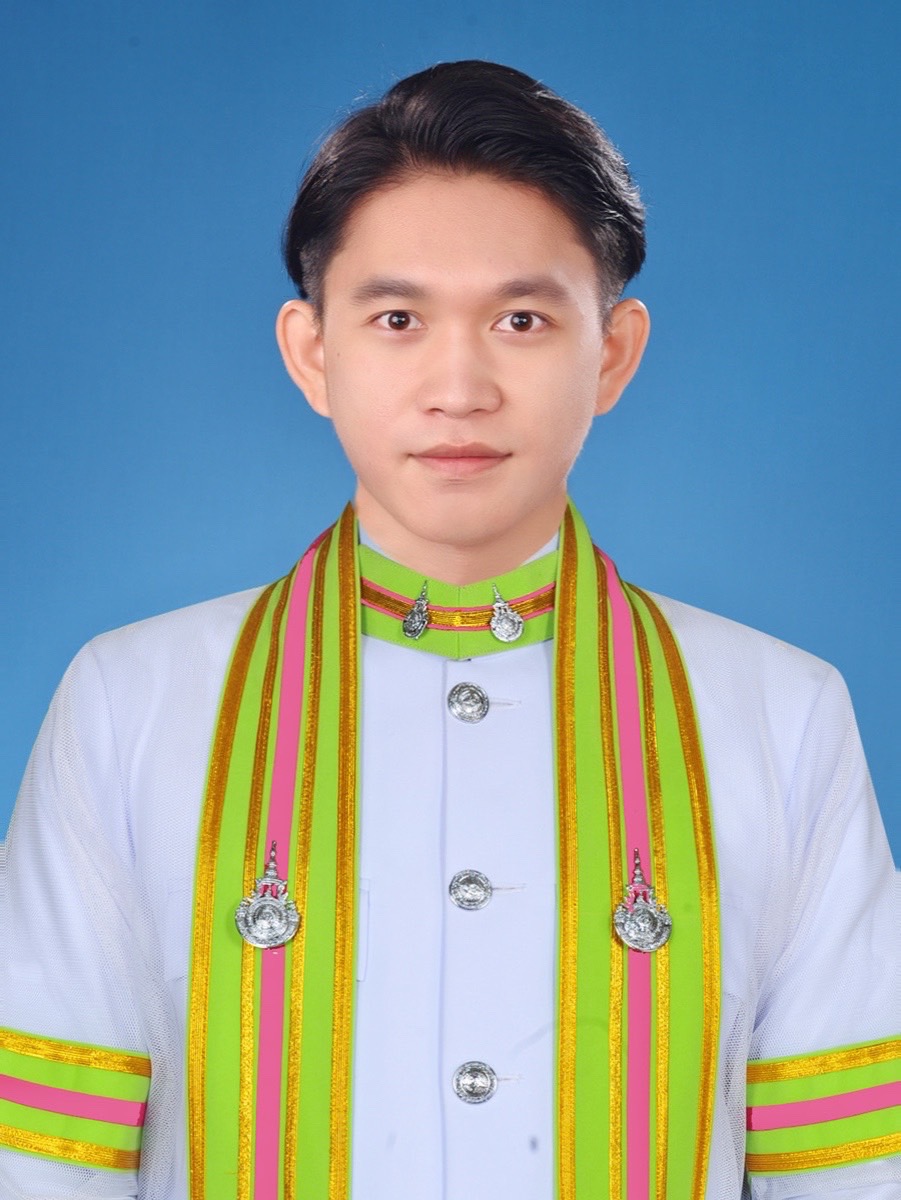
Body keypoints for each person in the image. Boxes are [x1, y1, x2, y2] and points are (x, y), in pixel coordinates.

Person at [0, 60, 897, 1200]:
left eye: (521, 319)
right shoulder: (130, 701)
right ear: (311, 352)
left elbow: (850, 1162)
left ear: (612, 352)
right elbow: (41, 1154)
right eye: (398, 319)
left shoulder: (783, 714)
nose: (459, 386)